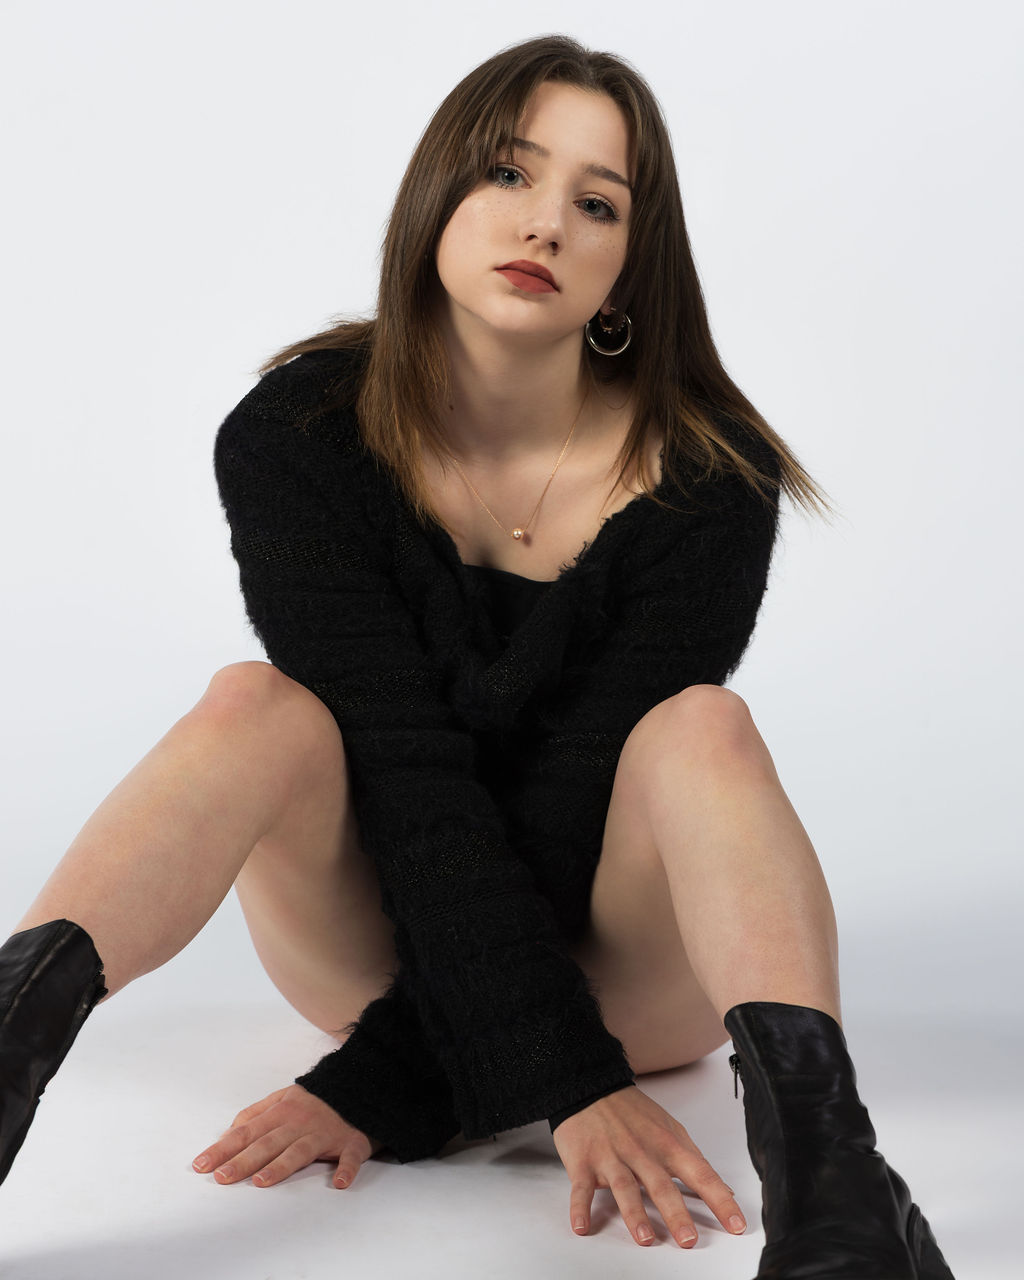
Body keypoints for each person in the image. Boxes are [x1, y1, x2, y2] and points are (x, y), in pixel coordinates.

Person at [0, 34, 954, 1278]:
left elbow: (565, 805)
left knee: (698, 725)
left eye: (595, 203)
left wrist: (458, 1079)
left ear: (626, 269)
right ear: (435, 200)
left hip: (623, 971)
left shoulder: (706, 479)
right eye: (509, 174)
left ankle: (839, 1197)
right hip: (378, 927)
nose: (545, 223)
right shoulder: (298, 433)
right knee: (256, 704)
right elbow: (403, 772)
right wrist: (522, 1084)